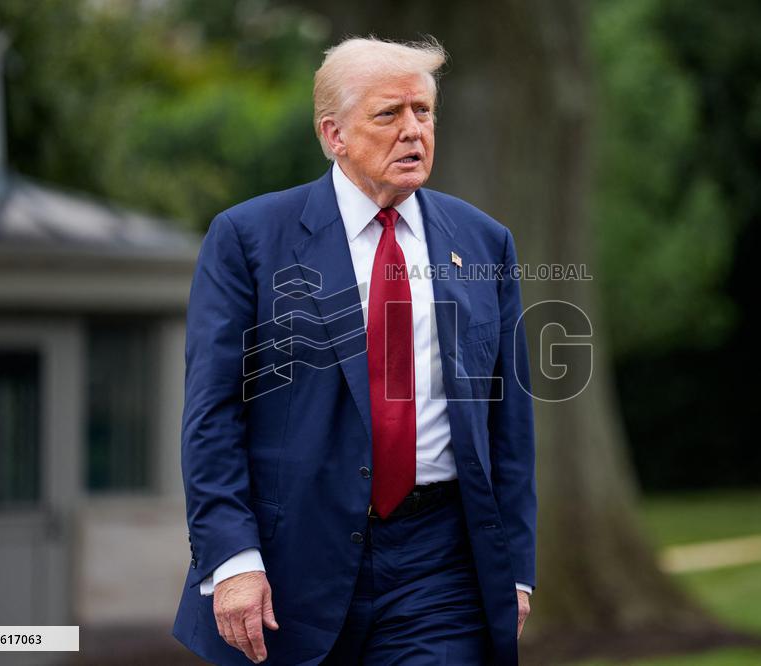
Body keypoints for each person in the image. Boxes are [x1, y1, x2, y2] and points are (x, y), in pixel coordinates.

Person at [172, 36, 536, 665]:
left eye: (422, 112)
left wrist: (517, 568)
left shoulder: (483, 242)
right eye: (388, 115)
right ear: (334, 135)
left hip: (440, 563)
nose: (413, 131)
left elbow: (509, 425)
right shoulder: (248, 239)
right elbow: (212, 414)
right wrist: (231, 559)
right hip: (292, 563)